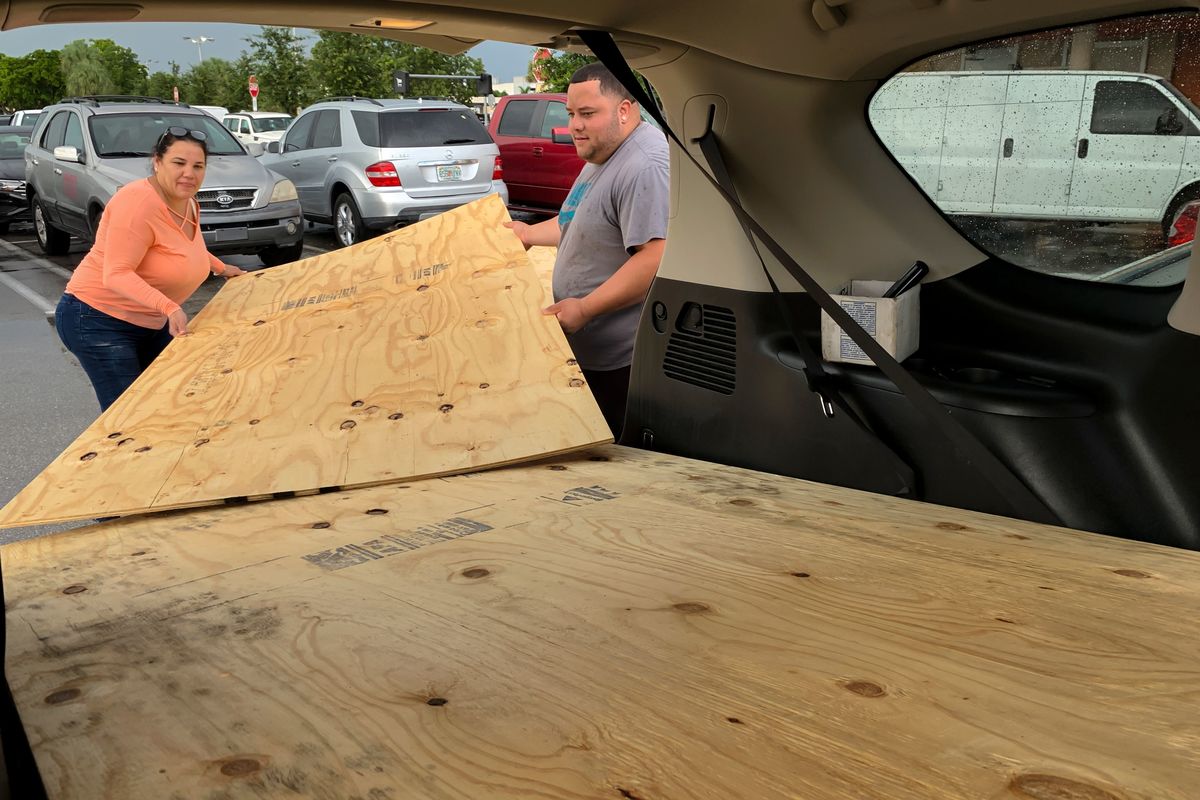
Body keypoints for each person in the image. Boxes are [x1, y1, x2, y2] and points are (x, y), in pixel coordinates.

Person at [506, 63, 670, 440]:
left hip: (623, 363)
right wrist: (528, 233)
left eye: (587, 114)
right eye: (570, 114)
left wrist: (586, 308)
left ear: (625, 110)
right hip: (589, 351)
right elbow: (577, 223)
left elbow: (654, 257)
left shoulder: (644, 165)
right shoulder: (604, 153)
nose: (574, 125)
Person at [55, 126, 247, 411]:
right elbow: (116, 273)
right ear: (157, 162)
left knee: (170, 403)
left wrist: (221, 267)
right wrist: (168, 307)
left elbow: (183, 248)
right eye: (178, 163)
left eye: (198, 166)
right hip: (97, 320)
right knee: (129, 418)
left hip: (150, 322)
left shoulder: (188, 202)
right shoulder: (137, 202)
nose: (189, 174)